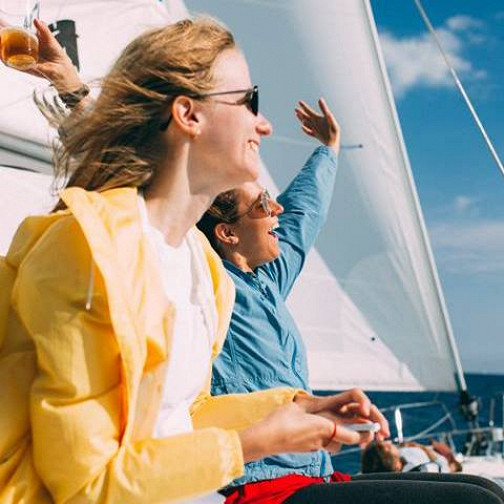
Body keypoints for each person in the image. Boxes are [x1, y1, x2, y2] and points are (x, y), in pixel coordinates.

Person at [0, 17, 386, 503]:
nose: (264, 124)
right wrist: (259, 441)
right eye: (249, 102)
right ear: (188, 115)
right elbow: (85, 487)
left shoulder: (203, 271)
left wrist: (297, 407)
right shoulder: (90, 250)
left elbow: (186, 413)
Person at [197, 99, 504, 504]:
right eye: (263, 205)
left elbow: (302, 217)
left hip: (313, 474)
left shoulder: (266, 280)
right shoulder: (204, 282)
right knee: (476, 503)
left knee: (484, 488)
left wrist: (328, 149)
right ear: (227, 233)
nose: (276, 209)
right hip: (262, 485)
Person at [361, 440, 463, 474]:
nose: (389, 442)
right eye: (387, 447)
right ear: (396, 465)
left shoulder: (399, 454)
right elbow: (444, 468)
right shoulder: (422, 471)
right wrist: (422, 447)